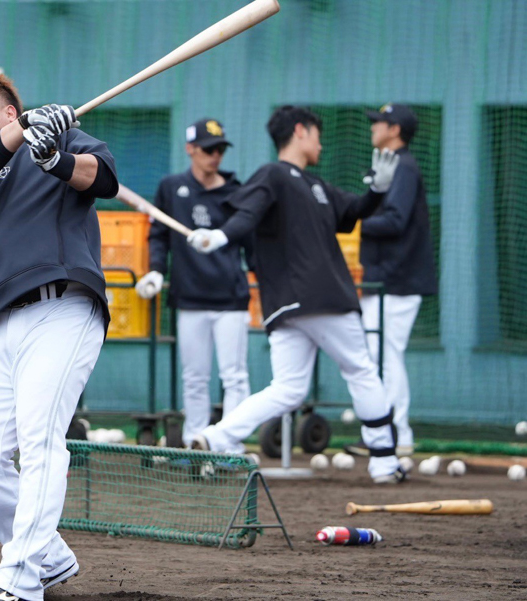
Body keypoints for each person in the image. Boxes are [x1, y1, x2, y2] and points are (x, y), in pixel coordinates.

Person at [0, 71, 118, 601]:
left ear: (10, 110)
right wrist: (21, 133)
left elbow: (100, 177)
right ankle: (50, 557)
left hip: (61, 307)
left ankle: (17, 582)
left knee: (40, 442)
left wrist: (55, 158)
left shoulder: (63, 137)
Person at [186, 105, 405, 484]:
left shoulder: (315, 184)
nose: (321, 144)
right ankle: (385, 462)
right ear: (300, 132)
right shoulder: (274, 174)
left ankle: (214, 436)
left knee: (287, 389)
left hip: (286, 305)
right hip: (325, 297)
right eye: (318, 135)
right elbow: (247, 214)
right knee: (361, 370)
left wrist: (378, 190)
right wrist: (221, 236)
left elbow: (355, 210)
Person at [134, 118, 251, 447]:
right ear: (191, 149)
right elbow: (158, 235)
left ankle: (230, 445)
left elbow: (250, 242)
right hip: (190, 299)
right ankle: (195, 442)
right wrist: (157, 270)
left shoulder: (236, 192)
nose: (215, 156)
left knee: (234, 376)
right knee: (195, 378)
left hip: (230, 299)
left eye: (220, 150)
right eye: (208, 149)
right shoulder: (171, 188)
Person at [344, 104, 438, 458]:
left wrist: (350, 224)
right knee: (377, 354)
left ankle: (397, 433)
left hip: (398, 281)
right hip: (382, 279)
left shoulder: (404, 167)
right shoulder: (390, 163)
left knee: (385, 355)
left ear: (395, 129)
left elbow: (395, 222)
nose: (373, 127)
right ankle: (384, 433)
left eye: (379, 122)